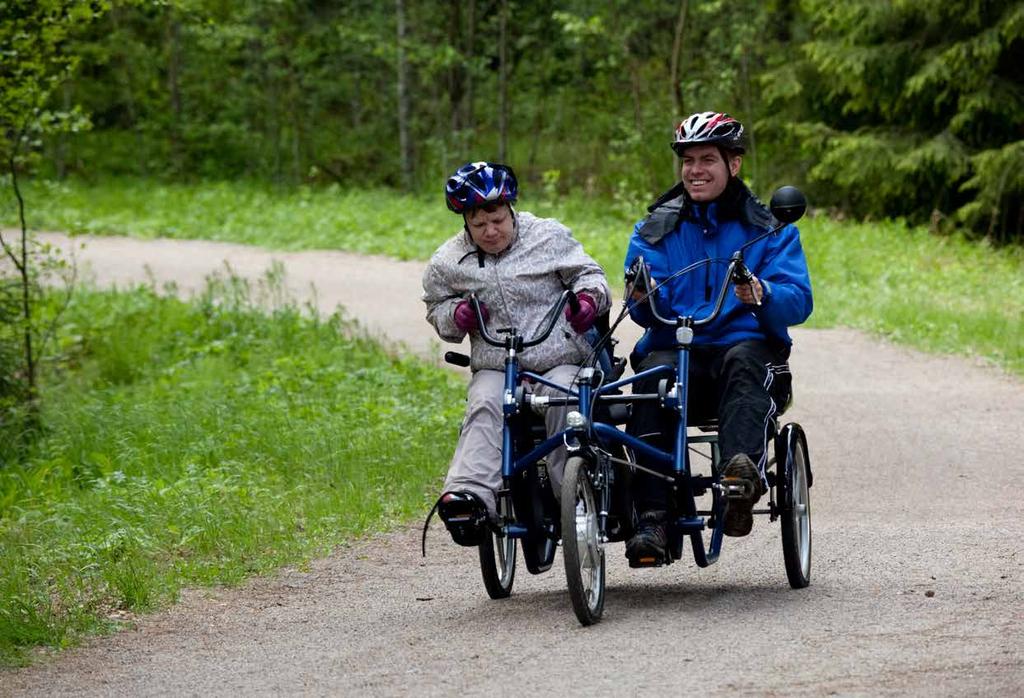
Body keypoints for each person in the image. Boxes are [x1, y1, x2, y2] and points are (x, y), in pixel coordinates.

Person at [622, 112, 813, 565]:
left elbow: (799, 298)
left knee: (745, 361)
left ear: (735, 165)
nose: (695, 170)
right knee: (651, 381)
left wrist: (763, 293)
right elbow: (641, 308)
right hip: (676, 350)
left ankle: (739, 480)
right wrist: (642, 296)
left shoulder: (769, 229)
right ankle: (651, 520)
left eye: (708, 159)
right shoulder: (654, 229)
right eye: (688, 160)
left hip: (743, 350)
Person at [423, 161, 611, 546]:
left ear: (510, 209)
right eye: (479, 225)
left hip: (558, 358)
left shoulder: (549, 236)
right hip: (498, 364)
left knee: (563, 399)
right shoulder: (447, 262)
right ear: (466, 223)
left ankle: (571, 496)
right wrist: (455, 315)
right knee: (484, 403)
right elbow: (436, 308)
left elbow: (592, 277)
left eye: (497, 220)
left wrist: (588, 302)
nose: (491, 232)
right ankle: (469, 497)